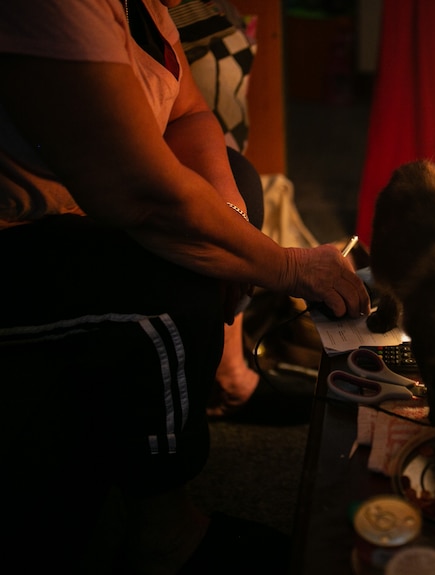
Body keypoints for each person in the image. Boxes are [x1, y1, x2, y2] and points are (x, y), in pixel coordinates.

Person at [0, 0, 370, 572]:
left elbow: (190, 114)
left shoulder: (139, 5)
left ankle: (227, 376)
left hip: (88, 201)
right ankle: (164, 534)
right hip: (18, 236)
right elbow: (140, 193)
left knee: (236, 188)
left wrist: (232, 222)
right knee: (175, 277)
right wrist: (284, 266)